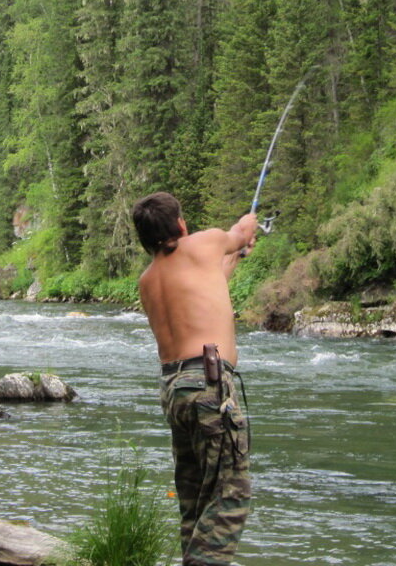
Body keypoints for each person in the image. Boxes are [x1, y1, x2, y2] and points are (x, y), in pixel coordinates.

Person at [132, 191, 258, 566]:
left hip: (175, 390)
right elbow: (239, 230)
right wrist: (245, 230)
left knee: (194, 498)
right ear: (181, 225)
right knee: (230, 494)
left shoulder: (148, 280)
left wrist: (234, 256)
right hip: (208, 384)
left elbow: (205, 283)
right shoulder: (205, 241)